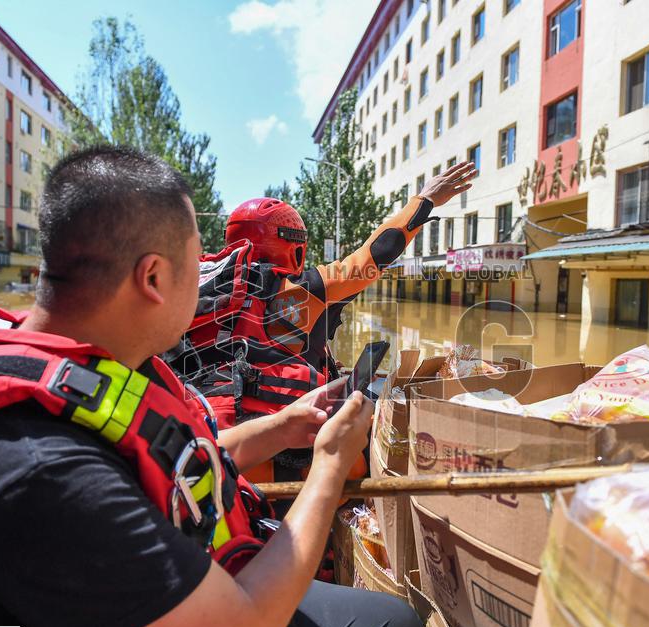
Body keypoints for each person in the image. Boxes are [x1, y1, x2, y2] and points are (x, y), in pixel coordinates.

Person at [0, 147, 424, 627]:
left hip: (143, 579)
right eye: (197, 262)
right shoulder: (43, 470)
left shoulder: (66, 359)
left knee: (392, 624)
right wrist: (328, 464)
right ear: (153, 276)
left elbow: (166, 462)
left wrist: (280, 426)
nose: (212, 277)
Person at [172, 162, 477, 485]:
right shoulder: (301, 289)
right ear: (295, 247)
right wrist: (423, 201)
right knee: (370, 445)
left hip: (202, 449)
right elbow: (375, 255)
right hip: (273, 462)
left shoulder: (193, 292)